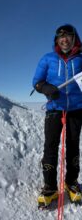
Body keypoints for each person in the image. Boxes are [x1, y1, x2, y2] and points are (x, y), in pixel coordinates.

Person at [33, 24, 82, 207]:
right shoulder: (48, 59)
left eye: (68, 36)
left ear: (74, 38)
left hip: (76, 110)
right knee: (51, 148)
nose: (65, 39)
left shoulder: (80, 59)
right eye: (61, 37)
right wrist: (46, 88)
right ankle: (50, 187)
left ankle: (71, 183)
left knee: (73, 146)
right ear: (57, 40)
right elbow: (37, 82)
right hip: (54, 109)